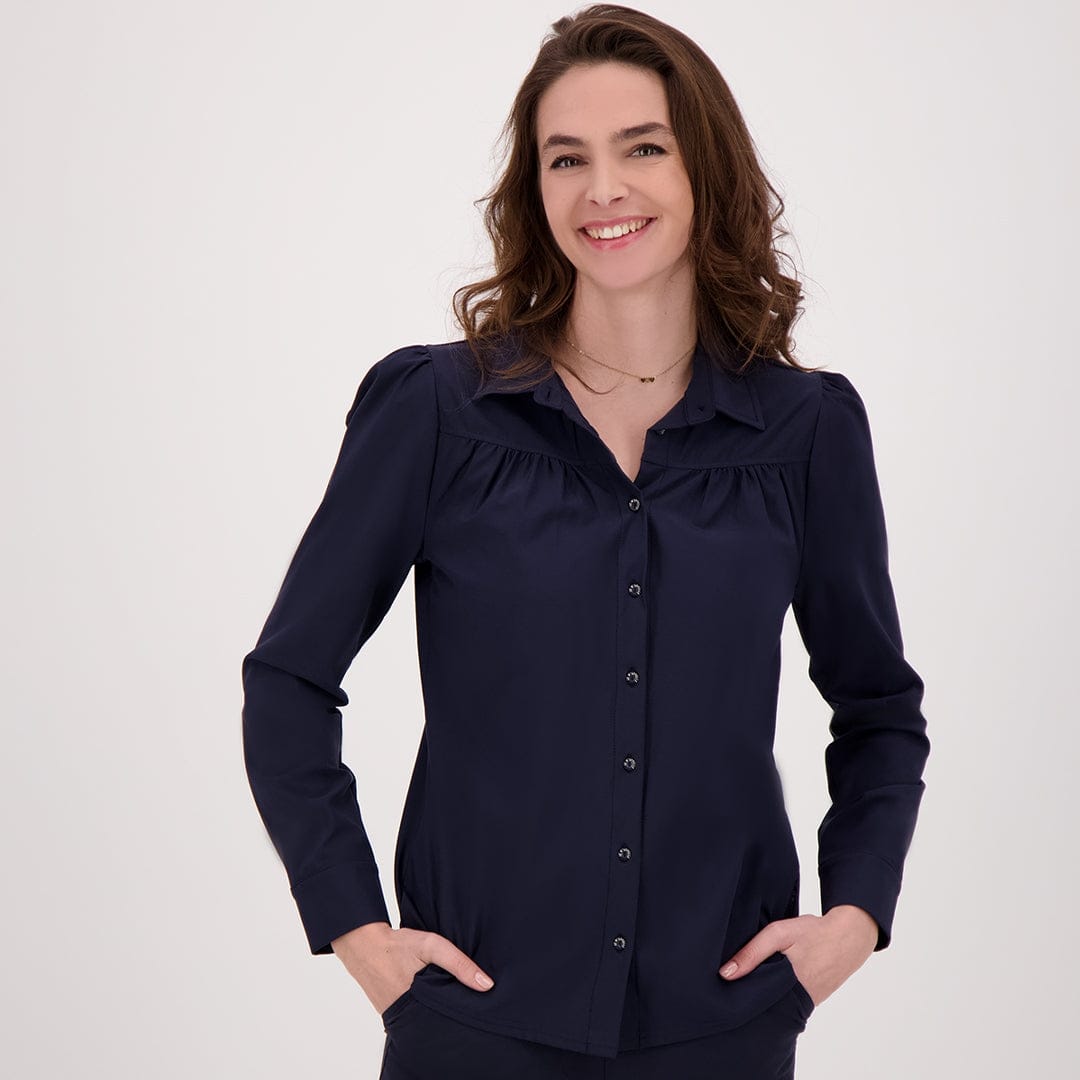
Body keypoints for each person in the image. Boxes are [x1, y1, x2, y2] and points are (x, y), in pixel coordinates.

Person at [240, 5, 931, 1078]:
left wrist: (854, 919)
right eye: (567, 159)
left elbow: (879, 708)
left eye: (642, 148)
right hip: (472, 1027)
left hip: (722, 1031)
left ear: (705, 169)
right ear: (537, 190)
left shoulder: (807, 432)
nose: (603, 188)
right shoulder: (436, 411)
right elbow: (289, 680)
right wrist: (357, 932)